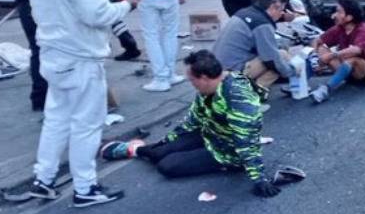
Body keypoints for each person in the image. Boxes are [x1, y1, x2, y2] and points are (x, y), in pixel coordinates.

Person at [25, 0, 141, 207]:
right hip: (80, 55)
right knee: (87, 124)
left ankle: (44, 179)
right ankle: (85, 188)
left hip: (53, 53)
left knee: (57, 118)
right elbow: (97, 14)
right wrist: (127, 5)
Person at [100, 50, 281, 197]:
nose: (190, 83)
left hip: (228, 150)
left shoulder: (239, 97)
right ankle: (136, 149)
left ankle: (230, 166)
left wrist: (259, 178)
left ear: (203, 77)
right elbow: (193, 119)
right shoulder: (207, 87)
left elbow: (246, 140)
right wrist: (168, 140)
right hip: (209, 133)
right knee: (160, 151)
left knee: (167, 166)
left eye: (192, 79)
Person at [213, 0, 295, 88]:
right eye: (281, 10)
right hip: (229, 74)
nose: (282, 14)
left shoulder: (245, 12)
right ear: (274, 7)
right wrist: (290, 72)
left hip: (216, 69)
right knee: (280, 58)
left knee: (278, 56)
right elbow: (271, 59)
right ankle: (253, 95)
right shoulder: (261, 23)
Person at [308, 0, 365, 103]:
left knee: (352, 59)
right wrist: (315, 58)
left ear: (349, 17)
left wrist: (330, 56)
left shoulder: (363, 30)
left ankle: (326, 89)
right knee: (321, 49)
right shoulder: (340, 28)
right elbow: (317, 40)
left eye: (339, 12)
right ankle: (300, 84)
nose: (334, 15)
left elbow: (356, 50)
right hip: (347, 70)